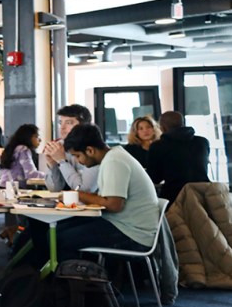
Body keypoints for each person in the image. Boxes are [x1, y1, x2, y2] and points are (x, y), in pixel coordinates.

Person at [40, 123, 162, 262]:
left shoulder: (114, 161)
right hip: (124, 224)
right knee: (57, 231)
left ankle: (73, 281)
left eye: (78, 156)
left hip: (134, 234)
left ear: (90, 150)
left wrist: (78, 194)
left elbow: (114, 205)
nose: (78, 161)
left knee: (59, 238)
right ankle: (70, 278)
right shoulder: (113, 157)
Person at [147, 111, 210, 203]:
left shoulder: (158, 146)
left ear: (162, 128)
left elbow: (155, 178)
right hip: (204, 195)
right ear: (183, 123)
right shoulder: (203, 142)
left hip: (175, 197)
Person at [40, 104, 99, 193]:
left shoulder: (92, 149)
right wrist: (52, 164)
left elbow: (84, 190)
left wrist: (62, 161)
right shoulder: (58, 147)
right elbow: (55, 189)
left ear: (84, 126)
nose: (62, 128)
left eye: (68, 123)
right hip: (69, 204)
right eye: (60, 123)